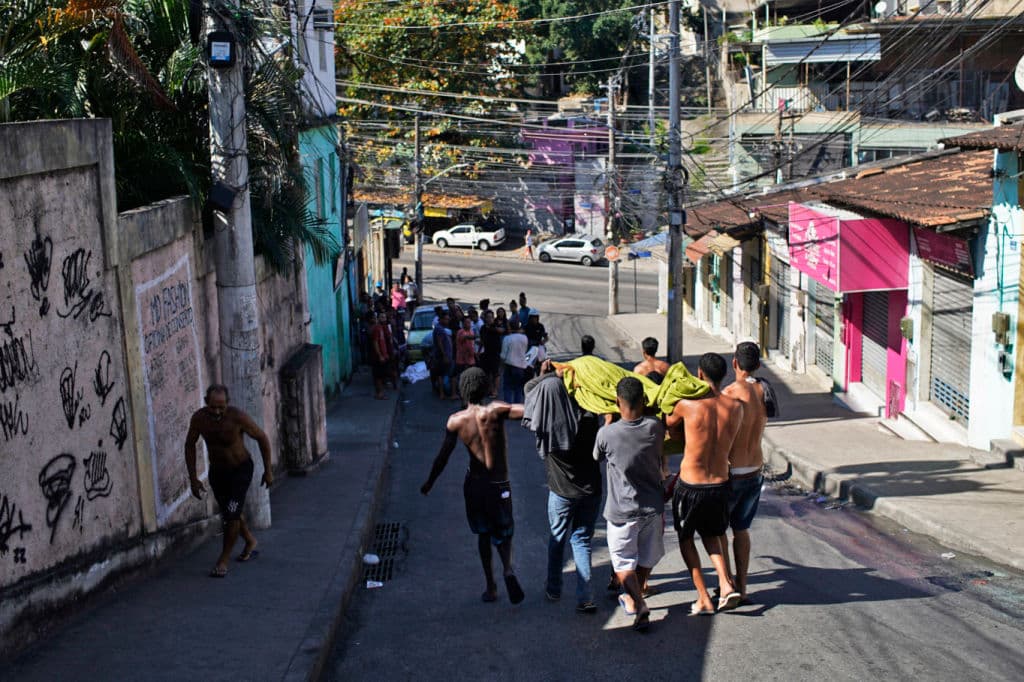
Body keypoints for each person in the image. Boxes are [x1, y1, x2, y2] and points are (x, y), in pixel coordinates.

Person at [421, 368, 526, 604]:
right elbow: (528, 410)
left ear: (464, 390)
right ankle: (507, 568)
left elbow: (442, 457)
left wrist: (429, 482)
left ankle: (491, 587)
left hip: (475, 485)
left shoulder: (456, 421)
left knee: (483, 534)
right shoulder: (497, 410)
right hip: (499, 484)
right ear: (486, 387)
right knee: (504, 531)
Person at [666, 353, 744, 615]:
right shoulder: (736, 407)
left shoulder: (687, 405)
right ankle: (725, 584)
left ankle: (703, 597)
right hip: (721, 482)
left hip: (691, 484)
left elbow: (670, 426)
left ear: (699, 374)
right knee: (712, 534)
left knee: (686, 538)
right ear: (725, 375)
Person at [523, 364, 602, 614]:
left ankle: (554, 588)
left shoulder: (547, 428)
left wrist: (548, 374)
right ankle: (585, 596)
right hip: (591, 491)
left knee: (557, 539)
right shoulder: (590, 421)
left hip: (561, 492)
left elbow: (529, 389)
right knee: (581, 541)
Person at [593, 377, 665, 631]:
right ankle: (638, 595)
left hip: (622, 511)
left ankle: (637, 602)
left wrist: (608, 422)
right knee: (646, 557)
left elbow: (597, 456)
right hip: (653, 508)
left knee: (623, 563)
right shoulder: (656, 428)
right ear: (644, 401)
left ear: (616, 402)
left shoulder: (607, 434)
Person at [185, 384, 273, 578]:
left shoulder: (237, 417)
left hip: (240, 470)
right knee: (229, 510)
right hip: (218, 472)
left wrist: (268, 470)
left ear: (228, 404)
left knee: (231, 515)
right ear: (206, 402)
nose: (217, 411)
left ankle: (223, 560)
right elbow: (190, 445)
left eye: (222, 407)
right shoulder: (199, 419)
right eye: (213, 407)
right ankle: (250, 540)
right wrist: (193, 478)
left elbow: (262, 438)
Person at [720, 342, 768, 603]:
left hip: (733, 473)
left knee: (719, 531)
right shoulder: (763, 389)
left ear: (734, 363)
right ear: (758, 365)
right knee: (741, 529)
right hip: (755, 469)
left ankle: (727, 584)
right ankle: (743, 585)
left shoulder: (729, 393)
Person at [500, 319, 530, 403]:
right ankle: (517, 408)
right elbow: (525, 351)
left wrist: (501, 366)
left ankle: (508, 406)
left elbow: (503, 355)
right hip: (521, 366)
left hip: (509, 365)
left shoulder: (507, 338)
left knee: (507, 387)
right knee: (518, 388)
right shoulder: (524, 338)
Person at [479, 309, 503, 397]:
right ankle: (490, 389)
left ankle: (495, 391)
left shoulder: (495, 325)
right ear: (485, 318)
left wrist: (493, 328)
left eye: (491, 317)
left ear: (493, 318)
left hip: (495, 353)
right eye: (488, 317)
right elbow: (482, 340)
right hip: (486, 353)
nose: (489, 319)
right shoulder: (483, 328)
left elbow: (502, 330)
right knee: (487, 373)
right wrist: (479, 351)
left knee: (495, 373)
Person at [433, 310, 456, 400]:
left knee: (441, 375)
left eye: (448, 319)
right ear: (441, 319)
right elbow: (440, 343)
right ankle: (447, 394)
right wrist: (445, 355)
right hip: (443, 357)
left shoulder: (440, 328)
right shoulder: (439, 329)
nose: (448, 321)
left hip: (443, 356)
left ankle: (442, 394)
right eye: (446, 319)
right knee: (449, 374)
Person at [369, 312, 391, 400]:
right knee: (378, 376)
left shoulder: (382, 328)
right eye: (381, 317)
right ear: (378, 318)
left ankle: (380, 393)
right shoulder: (376, 328)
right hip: (378, 357)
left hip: (383, 355)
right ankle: (379, 394)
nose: (383, 319)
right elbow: (375, 343)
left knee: (381, 375)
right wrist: (380, 355)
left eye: (384, 317)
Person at [454, 317, 478, 395]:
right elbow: (465, 337)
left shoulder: (471, 331)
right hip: (462, 359)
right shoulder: (461, 331)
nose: (469, 324)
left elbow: (472, 344)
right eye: (467, 322)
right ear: (463, 323)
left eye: (469, 322)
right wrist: (476, 337)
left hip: (470, 358)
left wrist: (475, 353)